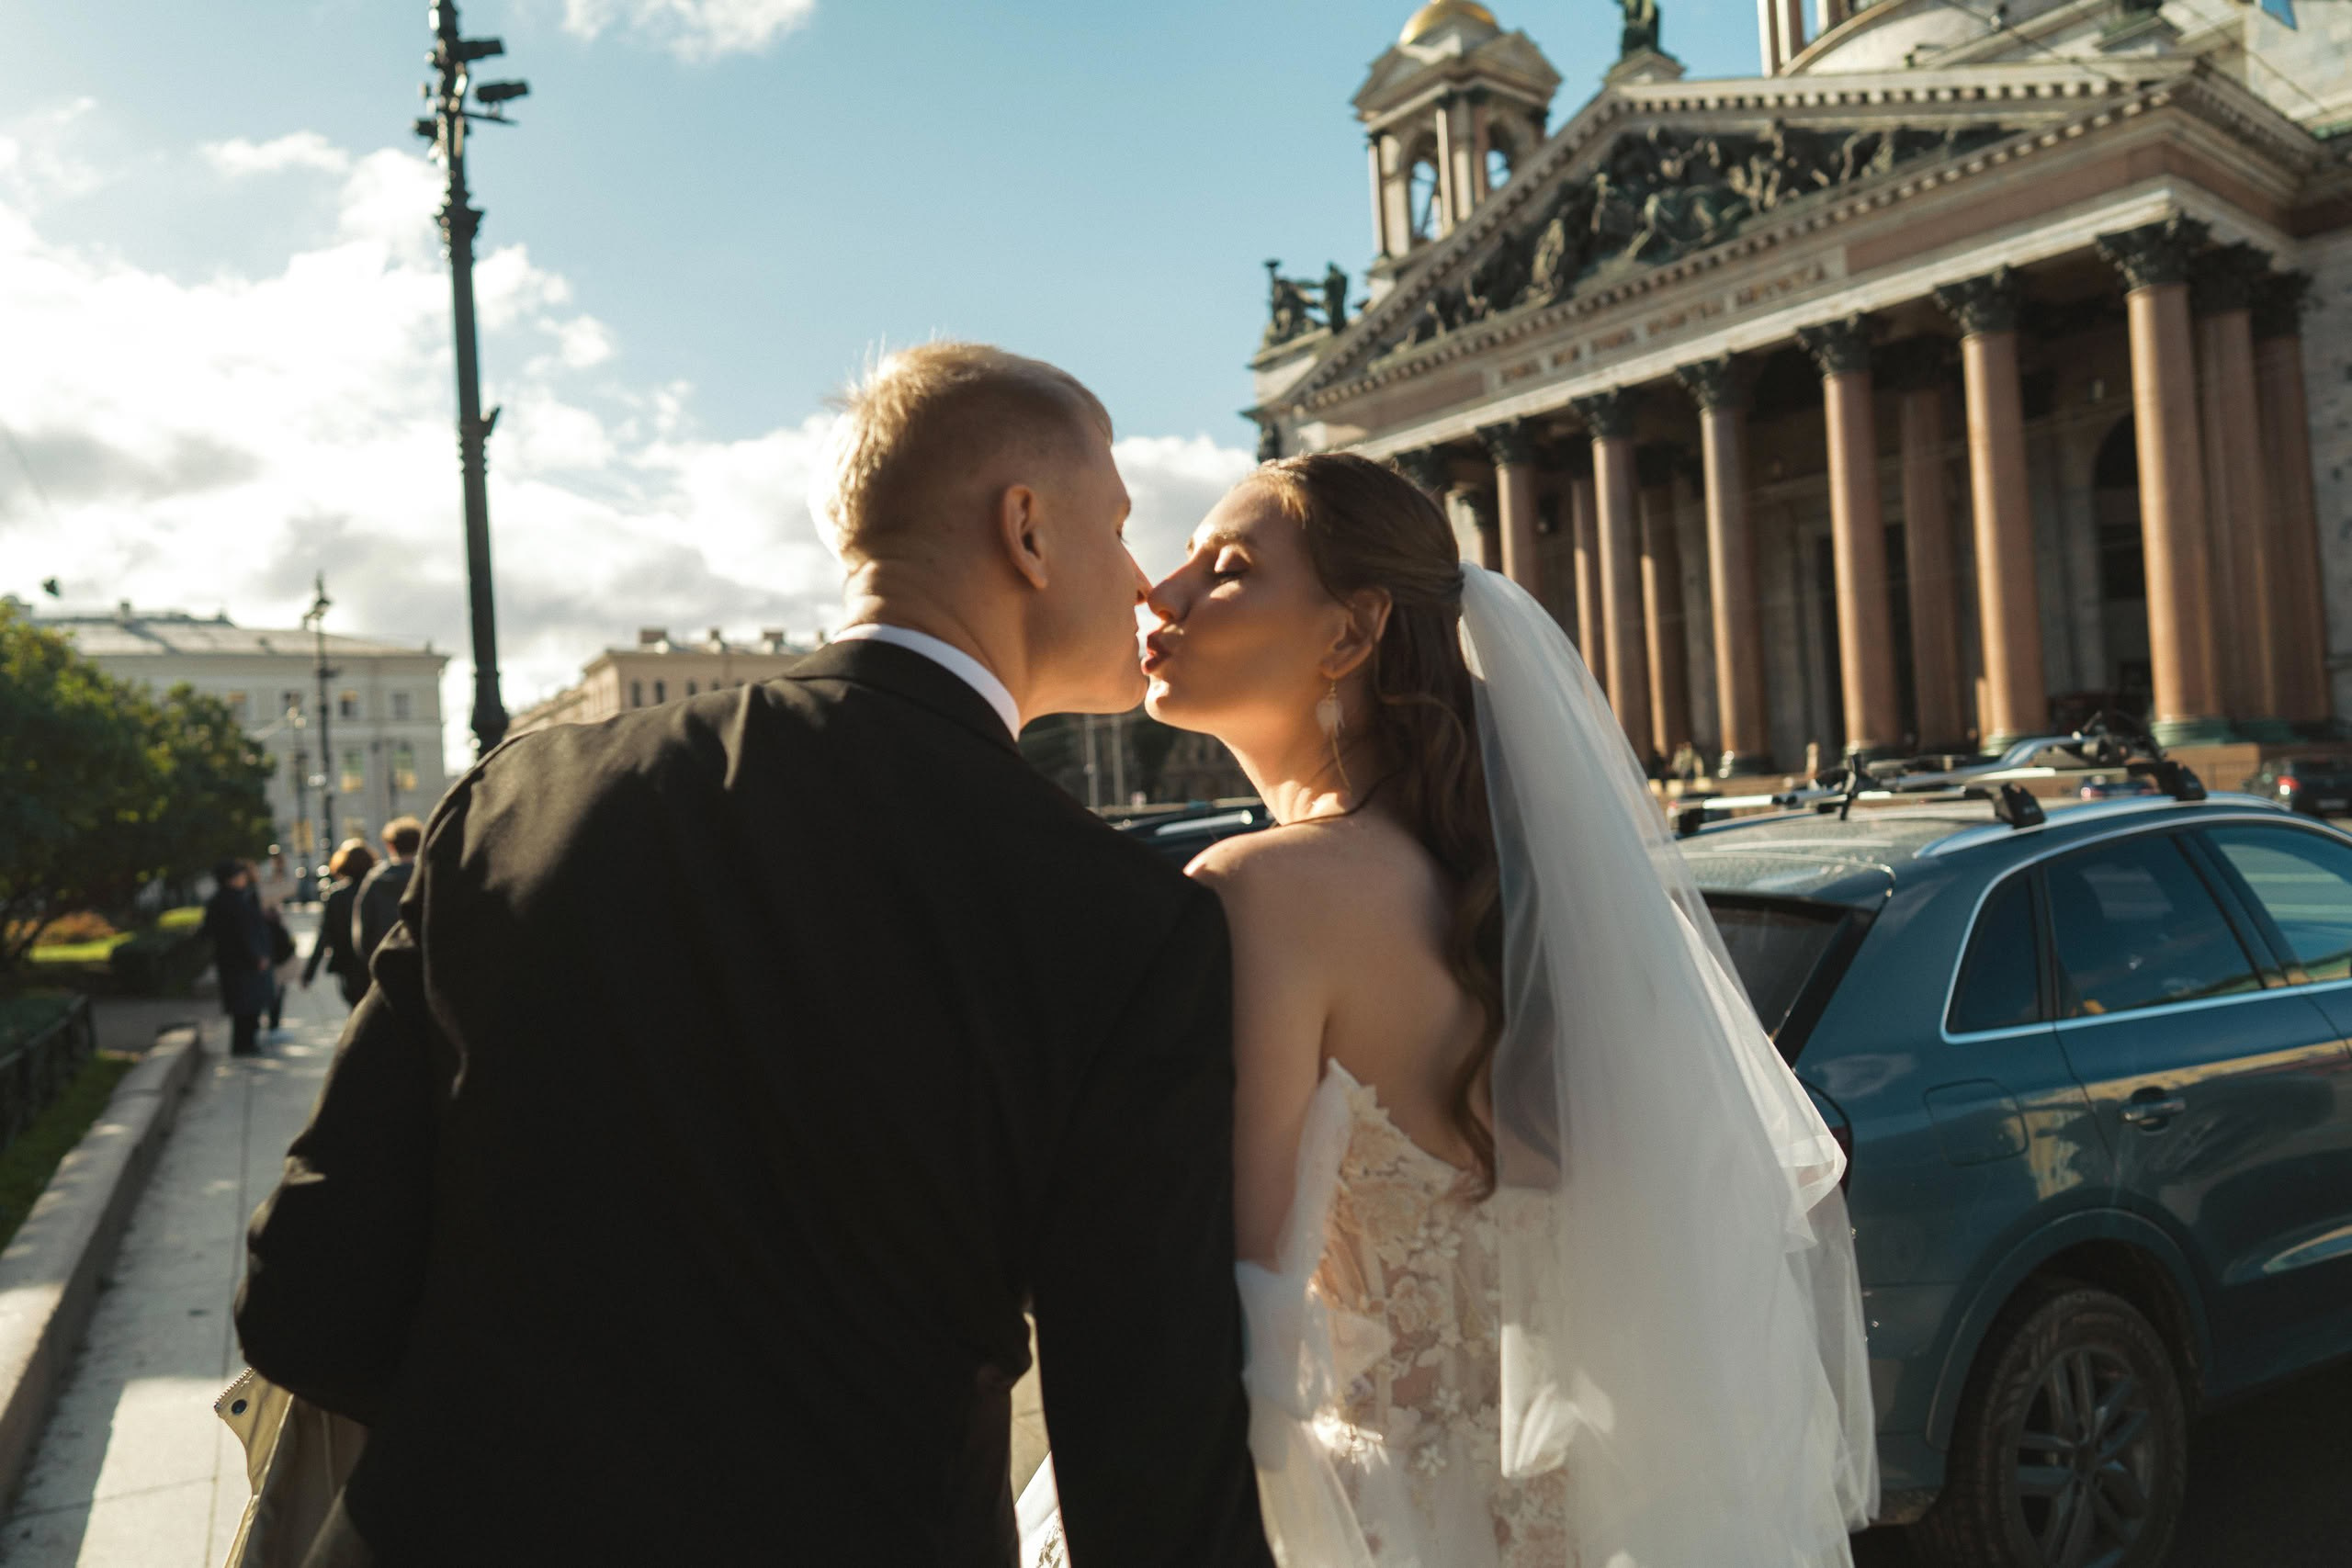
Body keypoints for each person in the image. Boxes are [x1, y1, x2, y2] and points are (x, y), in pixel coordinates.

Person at [235, 343, 1274, 1566]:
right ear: (1028, 531)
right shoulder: (1119, 917)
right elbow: (1148, 1457)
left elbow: (303, 1287)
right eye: (1122, 521)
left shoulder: (529, 796)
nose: (1147, 579)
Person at [1023, 453, 1876, 1565]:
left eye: (1225, 570)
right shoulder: (1513, 897)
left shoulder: (1263, 896)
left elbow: (1226, 1305)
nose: (1160, 592)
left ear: (1348, 634)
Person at [201, 860, 274, 1058]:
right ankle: (245, 1044)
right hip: (242, 963)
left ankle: (245, 1043)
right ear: (230, 879)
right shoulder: (234, 902)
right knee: (246, 1005)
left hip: (232, 961)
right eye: (240, 876)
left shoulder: (225, 900)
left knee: (244, 1005)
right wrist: (257, 956)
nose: (244, 879)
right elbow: (244, 933)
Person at [300, 840, 377, 1010]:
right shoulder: (378, 889)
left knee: (357, 1009)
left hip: (348, 963)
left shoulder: (337, 896)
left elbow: (325, 934)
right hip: (374, 959)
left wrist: (309, 972)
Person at [350, 818, 421, 976]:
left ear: (390, 845)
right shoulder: (427, 876)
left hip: (384, 955)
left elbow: (363, 924)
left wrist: (369, 958)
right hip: (421, 957)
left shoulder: (375, 879)